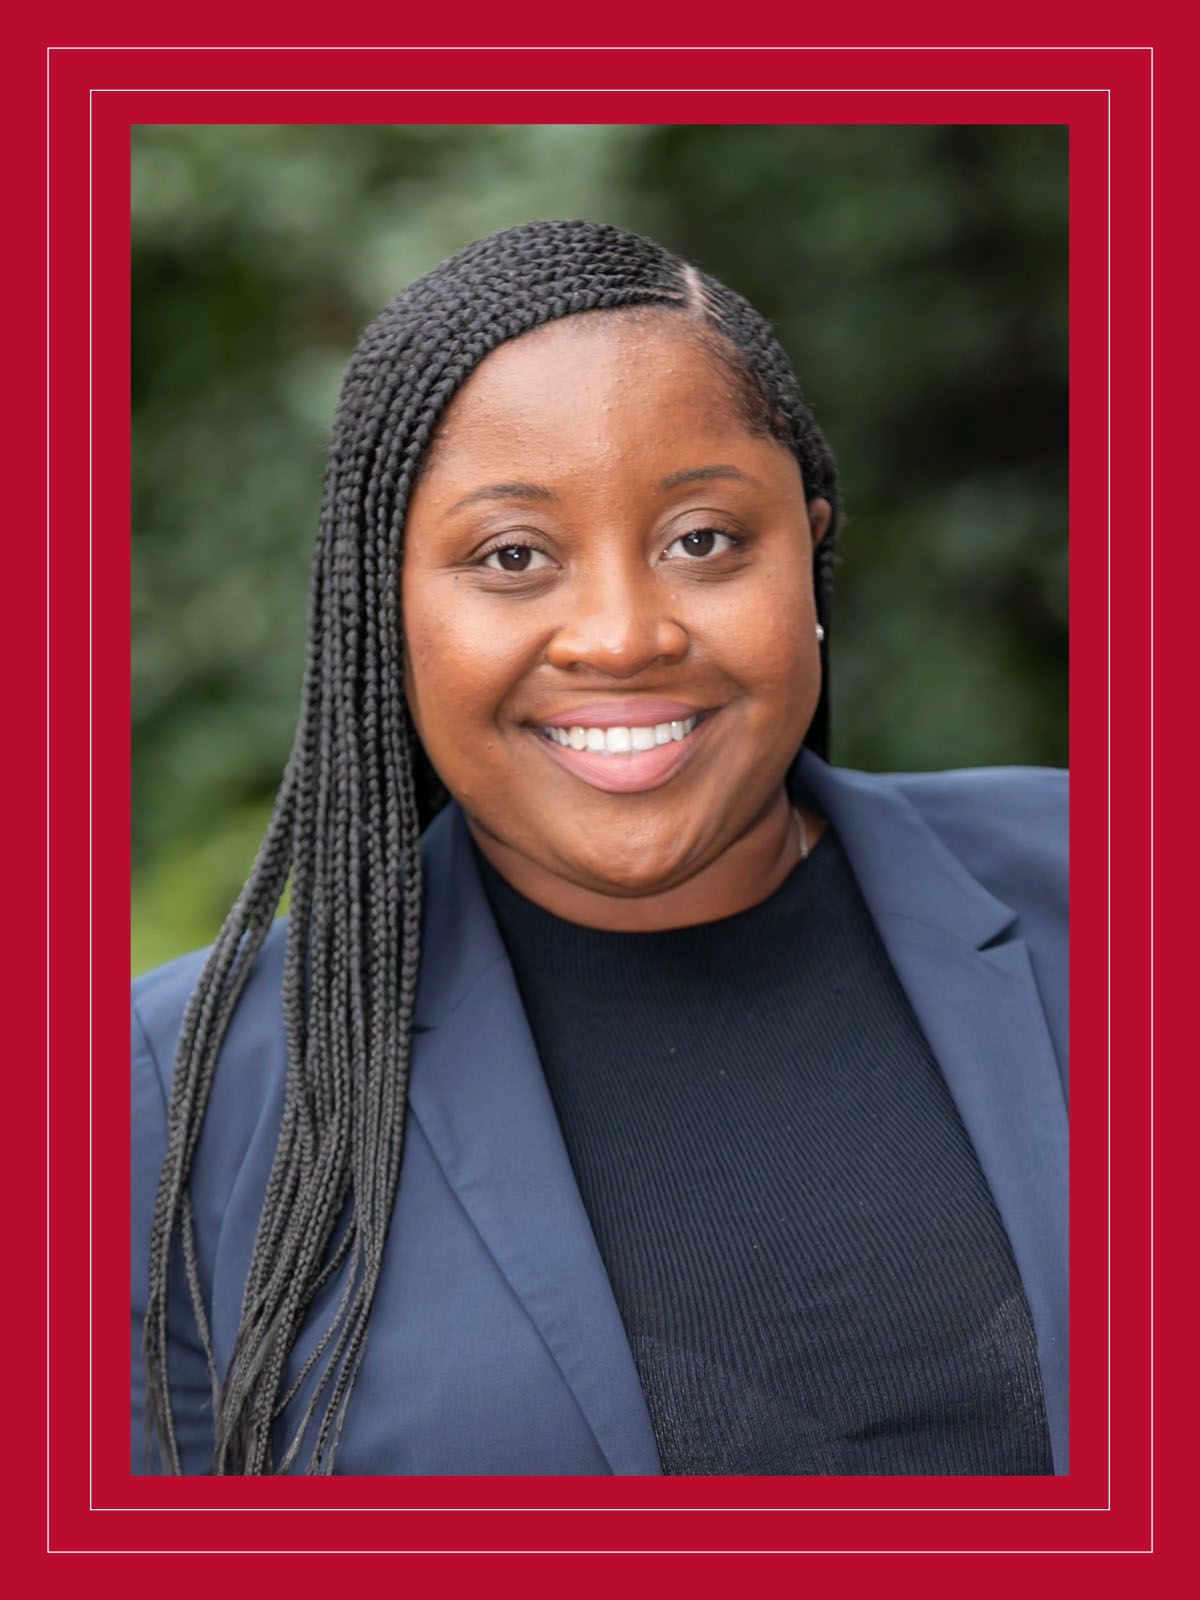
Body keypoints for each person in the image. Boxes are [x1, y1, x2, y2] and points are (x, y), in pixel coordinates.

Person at [132, 219, 1068, 1478]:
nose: (622, 637)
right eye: (513, 556)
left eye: (703, 540)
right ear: (385, 610)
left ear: (811, 551)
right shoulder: (170, 1105)